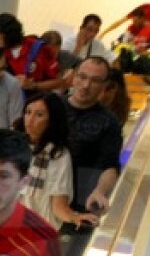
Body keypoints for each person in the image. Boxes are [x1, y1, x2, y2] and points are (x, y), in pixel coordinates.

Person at [62, 56, 123, 256]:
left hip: (80, 207)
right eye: (82, 77)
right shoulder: (50, 108)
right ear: (73, 77)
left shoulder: (109, 122)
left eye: (95, 81)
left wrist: (100, 190)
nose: (86, 85)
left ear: (105, 86)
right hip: (43, 201)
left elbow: (110, 165)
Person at [15, 92, 98, 231]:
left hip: (39, 233)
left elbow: (59, 206)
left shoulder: (58, 155)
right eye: (28, 112)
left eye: (39, 115)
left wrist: (75, 217)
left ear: (51, 121)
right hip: (9, 228)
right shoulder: (12, 144)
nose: (30, 120)